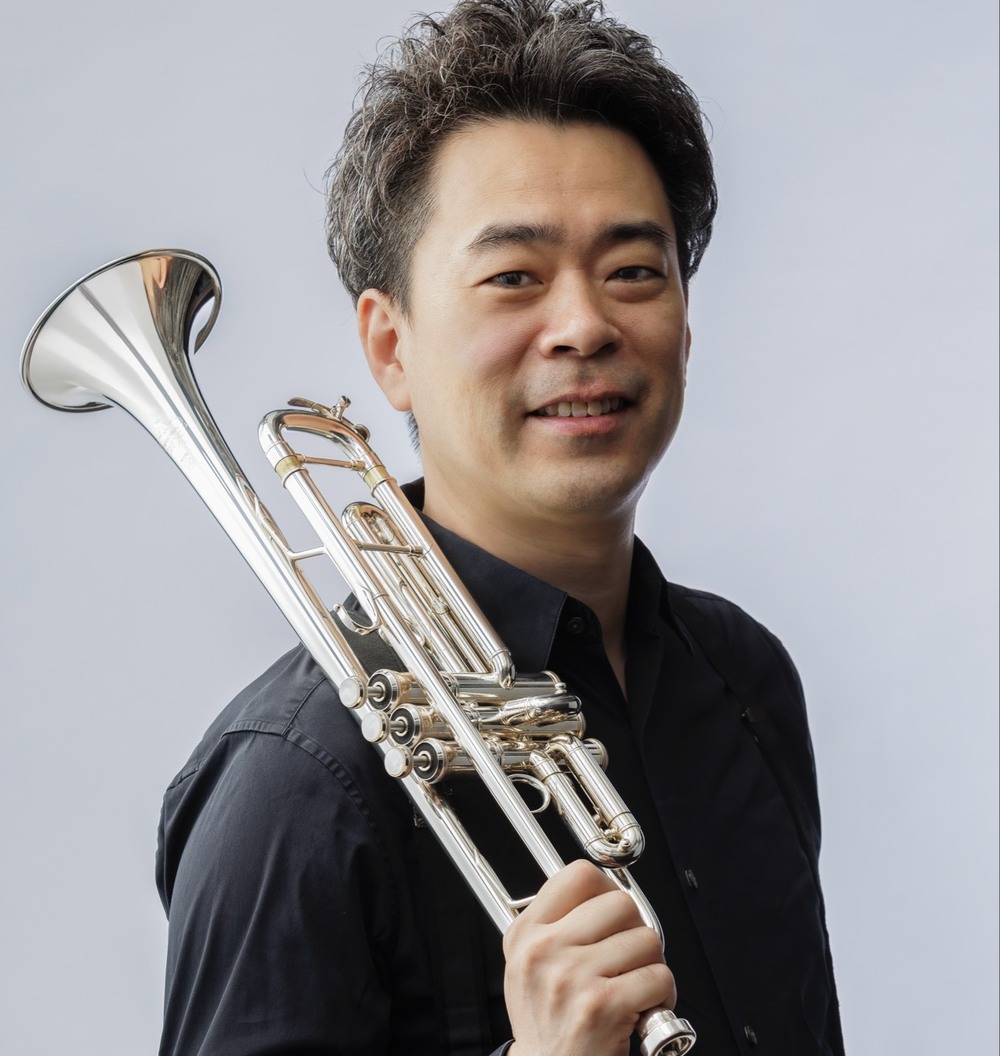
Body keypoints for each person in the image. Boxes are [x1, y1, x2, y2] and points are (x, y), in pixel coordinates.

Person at [156, 2, 843, 1053]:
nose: (584, 326)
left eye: (633, 271)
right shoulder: (292, 782)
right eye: (513, 278)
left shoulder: (744, 678)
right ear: (390, 348)